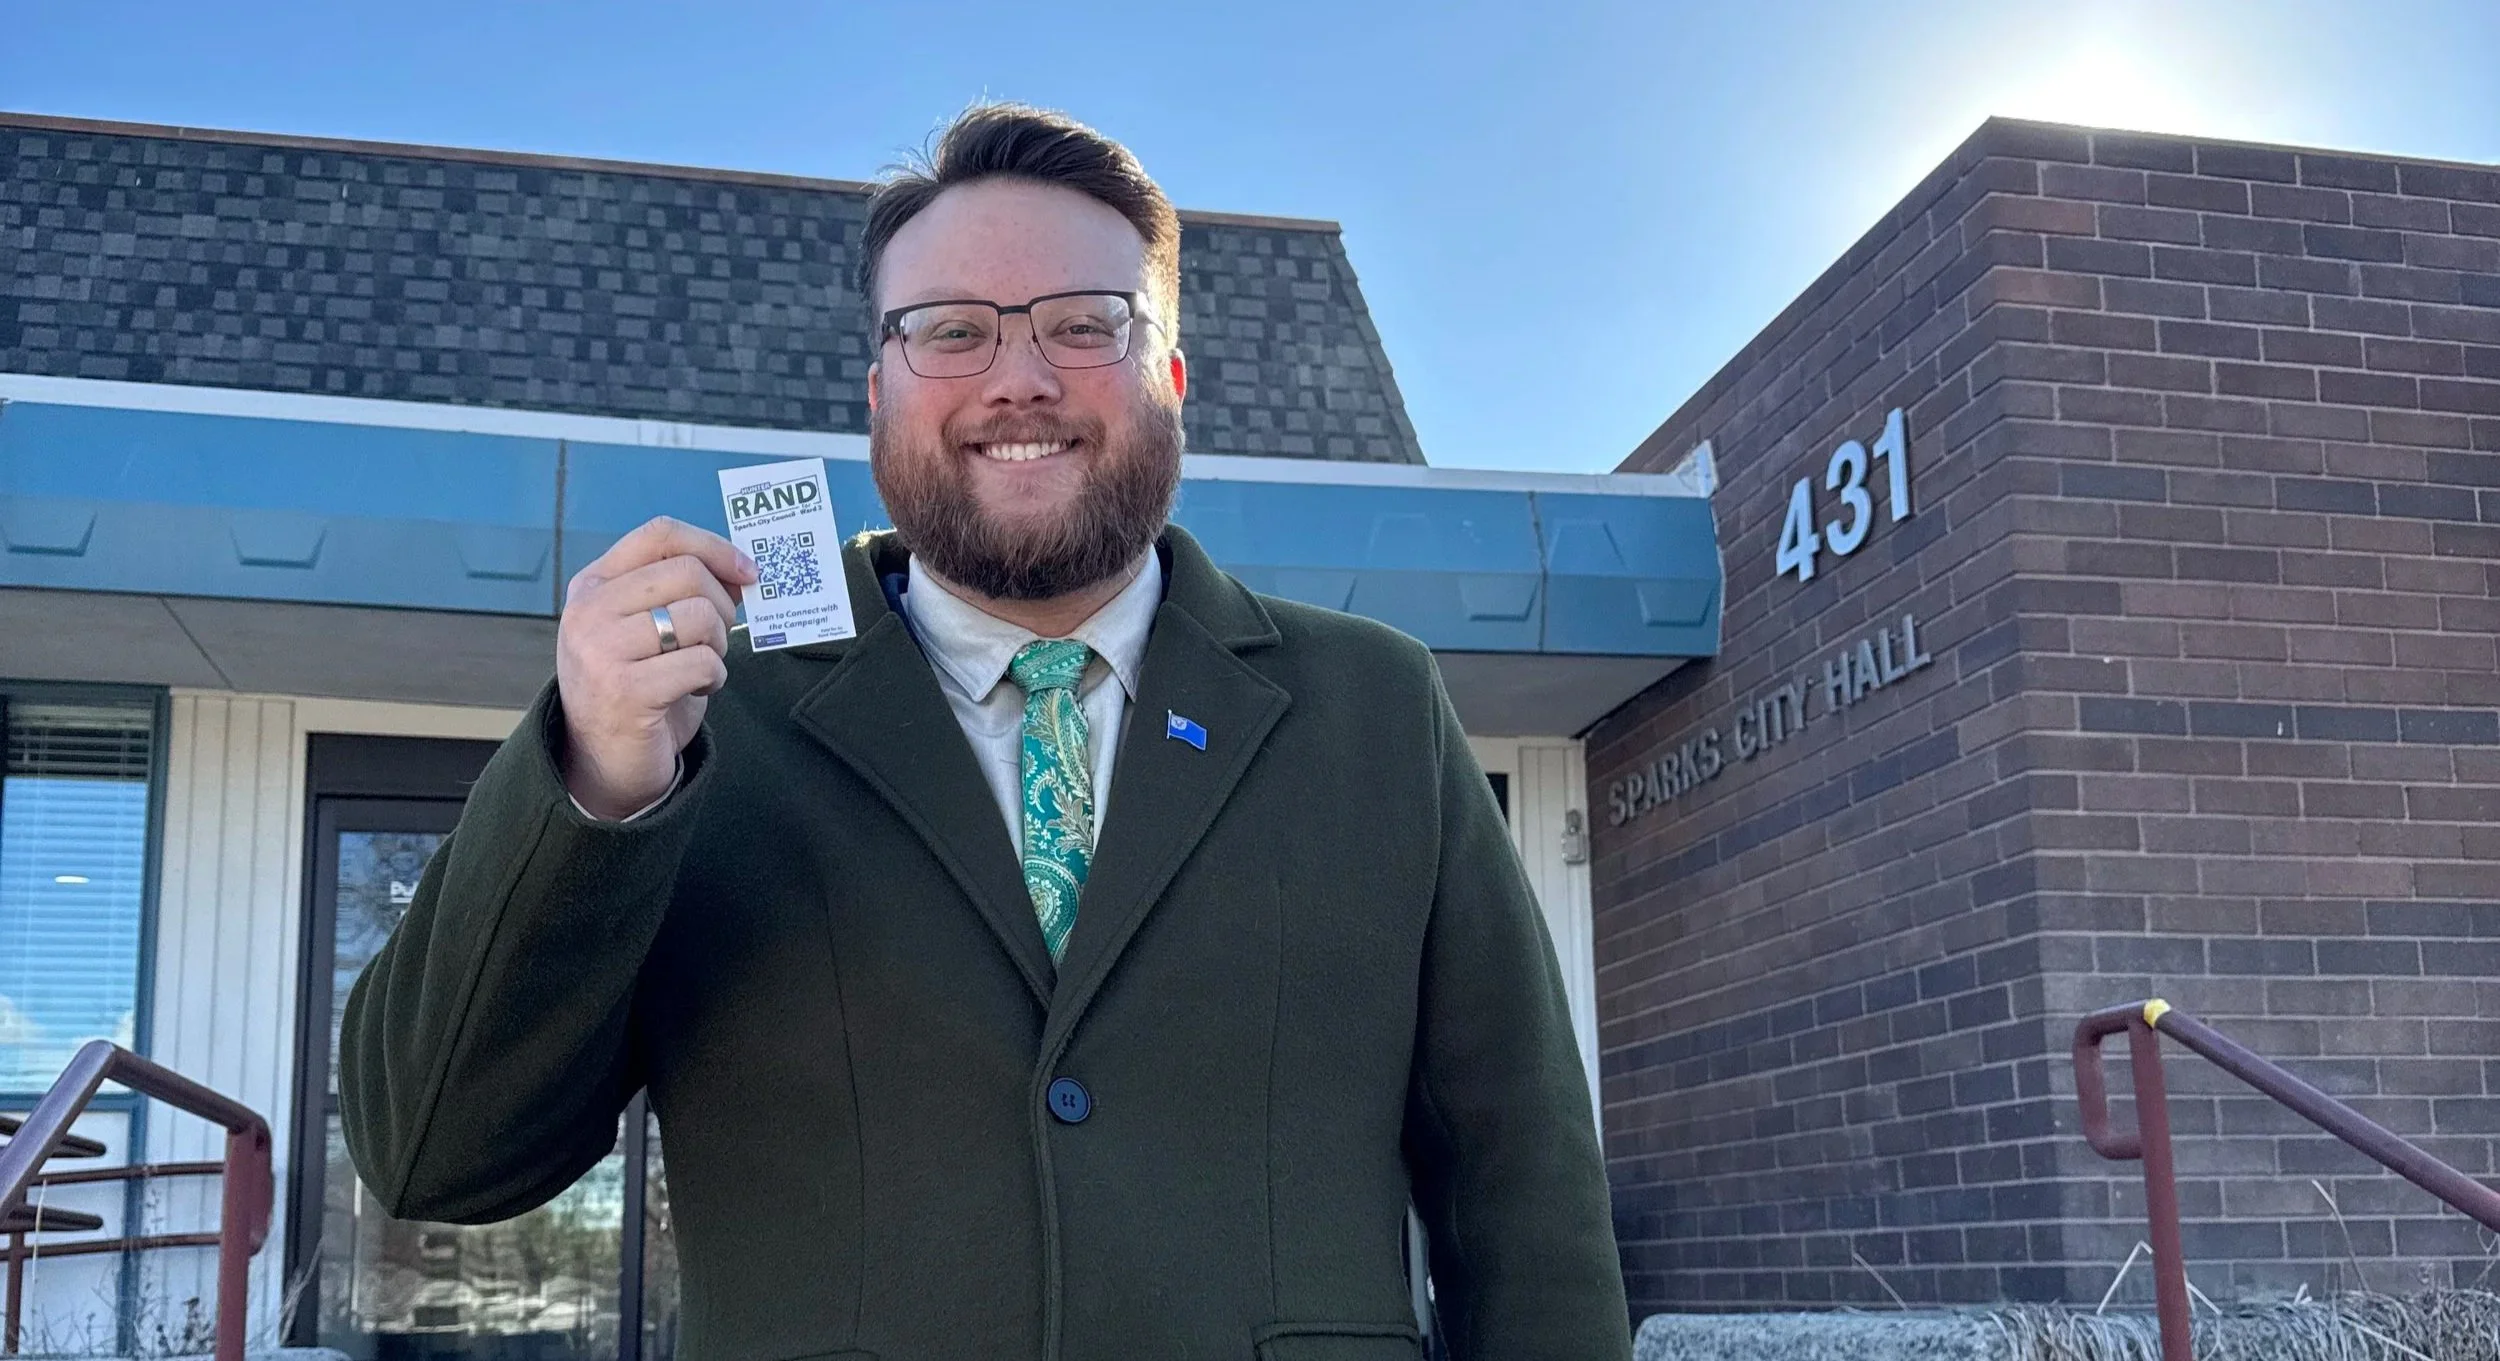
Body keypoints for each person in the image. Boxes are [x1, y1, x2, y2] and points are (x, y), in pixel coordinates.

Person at [340, 101, 1629, 1361]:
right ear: (879, 391)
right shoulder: (711, 724)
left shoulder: (1376, 708)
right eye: (952, 331)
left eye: (1085, 325)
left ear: (1170, 378)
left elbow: (1522, 1189)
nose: (1020, 379)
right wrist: (594, 784)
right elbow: (433, 1153)